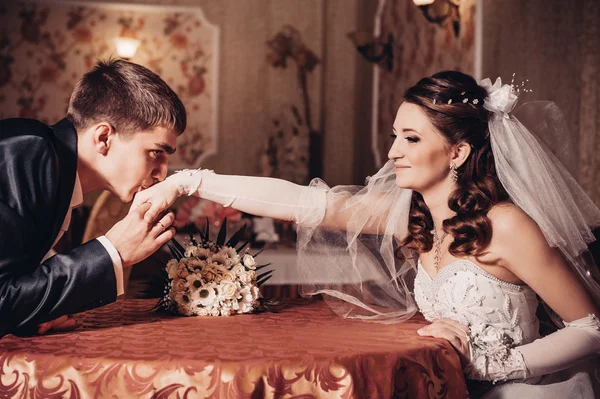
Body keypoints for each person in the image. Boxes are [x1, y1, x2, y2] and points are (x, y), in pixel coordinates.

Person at [134, 71, 600, 397]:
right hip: (442, 387)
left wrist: (487, 365)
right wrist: (188, 181)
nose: (393, 151)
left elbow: (591, 328)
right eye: (395, 135)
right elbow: (301, 202)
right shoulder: (409, 217)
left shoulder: (506, 225)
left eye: (412, 139)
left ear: (457, 152)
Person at [0, 59, 186, 337]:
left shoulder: (52, 165)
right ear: (103, 137)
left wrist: (36, 315)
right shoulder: (28, 152)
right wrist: (114, 251)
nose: (162, 174)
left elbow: (15, 291)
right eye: (156, 152)